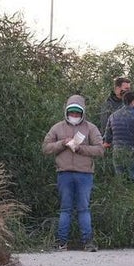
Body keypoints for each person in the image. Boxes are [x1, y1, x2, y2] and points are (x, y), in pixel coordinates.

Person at [42, 95, 105, 251]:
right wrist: (62, 143)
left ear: (83, 112)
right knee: (65, 209)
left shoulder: (90, 128)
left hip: (85, 174)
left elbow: (100, 149)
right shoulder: (57, 128)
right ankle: (61, 242)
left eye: (78, 113)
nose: (75, 116)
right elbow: (46, 148)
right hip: (64, 174)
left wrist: (80, 148)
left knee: (84, 208)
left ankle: (87, 242)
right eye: (72, 112)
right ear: (66, 111)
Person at [104, 89, 134, 181]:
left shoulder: (113, 116)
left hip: (117, 152)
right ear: (133, 102)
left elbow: (107, 138)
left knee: (121, 181)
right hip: (132, 152)